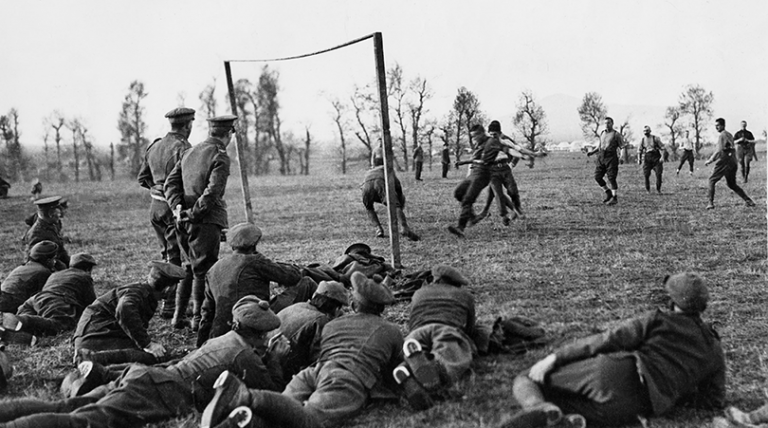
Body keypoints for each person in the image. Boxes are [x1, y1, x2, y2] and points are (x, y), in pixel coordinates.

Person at [0, 296, 289, 428]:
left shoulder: (224, 339)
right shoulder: (245, 354)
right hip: (159, 389)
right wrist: (275, 357)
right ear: (261, 334)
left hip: (145, 376)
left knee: (66, 406)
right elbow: (271, 393)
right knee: (83, 421)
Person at [497, 272, 725, 428]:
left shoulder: (658, 319)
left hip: (616, 371)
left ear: (672, 300)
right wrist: (676, 389)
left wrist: (556, 357)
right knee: (579, 410)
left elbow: (609, 339)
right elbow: (713, 401)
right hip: (642, 405)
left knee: (527, 378)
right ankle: (560, 418)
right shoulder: (714, 348)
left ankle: (540, 407)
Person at [200, 271, 404, 428]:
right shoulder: (391, 331)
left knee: (283, 413)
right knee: (312, 421)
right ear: (381, 308)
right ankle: (245, 396)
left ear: (353, 304)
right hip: (346, 378)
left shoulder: (334, 325)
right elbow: (395, 371)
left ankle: (239, 422)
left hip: (314, 372)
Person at [164, 114, 237, 331]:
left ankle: (178, 317)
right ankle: (198, 319)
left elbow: (170, 183)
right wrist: (193, 214)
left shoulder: (190, 151)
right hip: (204, 221)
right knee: (203, 269)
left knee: (188, 267)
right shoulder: (220, 156)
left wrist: (178, 209)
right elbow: (213, 192)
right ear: (228, 134)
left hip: (182, 220)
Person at [198, 222, 308, 346]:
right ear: (254, 245)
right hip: (254, 323)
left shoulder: (214, 268)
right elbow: (293, 277)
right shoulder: (255, 261)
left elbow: (207, 312)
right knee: (306, 283)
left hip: (223, 331)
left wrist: (201, 344)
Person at [137, 107, 196, 320]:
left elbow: (142, 177)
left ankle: (165, 301)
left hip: (155, 208)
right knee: (176, 258)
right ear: (188, 125)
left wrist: (157, 189)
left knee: (167, 254)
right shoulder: (184, 147)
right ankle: (170, 305)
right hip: (172, 209)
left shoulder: (154, 146)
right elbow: (188, 182)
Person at [393, 265, 475, 410]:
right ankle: (437, 371)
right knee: (452, 360)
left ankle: (408, 368)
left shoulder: (419, 293)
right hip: (445, 329)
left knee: (417, 351)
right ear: (456, 283)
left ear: (435, 279)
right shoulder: (465, 296)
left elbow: (412, 319)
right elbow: (469, 327)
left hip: (417, 332)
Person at [73, 261, 187, 366]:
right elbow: (125, 308)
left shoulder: (144, 292)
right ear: (167, 289)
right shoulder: (136, 294)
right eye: (174, 286)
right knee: (151, 358)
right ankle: (90, 358)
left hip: (101, 332)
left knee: (159, 354)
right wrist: (148, 344)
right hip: (94, 337)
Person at [2, 253, 97, 337]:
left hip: (35, 300)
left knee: (30, 327)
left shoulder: (56, 274)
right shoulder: (84, 276)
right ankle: (21, 320)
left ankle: (11, 327)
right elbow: (91, 304)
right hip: (55, 300)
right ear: (88, 268)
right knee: (61, 325)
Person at [274, 280, 348, 380]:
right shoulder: (320, 321)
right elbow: (318, 359)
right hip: (283, 373)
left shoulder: (299, 305)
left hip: (272, 362)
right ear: (336, 308)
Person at [361, 154, 421, 241]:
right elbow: (397, 184)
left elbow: (363, 185)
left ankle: (378, 229)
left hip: (366, 187)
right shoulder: (386, 168)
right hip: (380, 183)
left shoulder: (370, 170)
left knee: (369, 208)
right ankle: (404, 227)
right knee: (395, 206)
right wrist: (399, 199)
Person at [704, 118, 755, 210]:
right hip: (733, 160)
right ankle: (748, 200)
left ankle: (710, 203)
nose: (716, 127)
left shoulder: (722, 135)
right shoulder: (729, 134)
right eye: (715, 126)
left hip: (725, 160)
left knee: (711, 180)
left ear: (723, 125)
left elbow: (719, 150)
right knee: (731, 184)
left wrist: (710, 160)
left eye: (718, 125)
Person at [0, 240, 58, 313]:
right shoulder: (43, 272)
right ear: (47, 260)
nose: (55, 262)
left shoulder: (23, 267)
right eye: (53, 259)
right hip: (12, 303)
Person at [22, 196, 70, 269]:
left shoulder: (51, 225)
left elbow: (61, 252)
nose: (60, 216)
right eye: (58, 213)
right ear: (51, 214)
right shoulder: (37, 233)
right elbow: (35, 260)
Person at [586, 117, 626, 205]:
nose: (607, 125)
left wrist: (622, 157)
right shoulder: (602, 133)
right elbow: (599, 146)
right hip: (601, 157)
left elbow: (622, 147)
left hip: (611, 158)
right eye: (605, 123)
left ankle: (614, 198)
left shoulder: (616, 134)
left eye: (609, 123)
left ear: (612, 124)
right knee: (597, 177)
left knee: (611, 178)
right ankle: (608, 193)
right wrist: (592, 152)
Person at [638, 125, 666, 194]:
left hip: (656, 157)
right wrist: (639, 159)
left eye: (647, 131)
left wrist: (662, 157)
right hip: (647, 157)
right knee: (646, 174)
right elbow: (639, 150)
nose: (646, 132)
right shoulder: (642, 140)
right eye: (644, 131)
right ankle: (648, 190)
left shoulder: (655, 138)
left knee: (658, 173)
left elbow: (662, 148)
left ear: (650, 131)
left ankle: (658, 189)